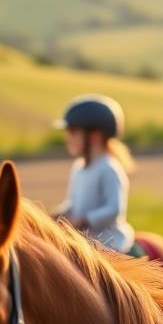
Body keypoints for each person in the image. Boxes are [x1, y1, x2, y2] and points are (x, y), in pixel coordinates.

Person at [53, 94, 142, 256]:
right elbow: (73, 203)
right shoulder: (78, 167)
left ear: (95, 136)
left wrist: (84, 219)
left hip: (110, 243)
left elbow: (114, 209)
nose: (68, 137)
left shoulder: (109, 167)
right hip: (86, 240)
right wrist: (58, 214)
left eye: (73, 131)